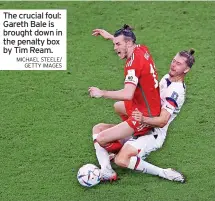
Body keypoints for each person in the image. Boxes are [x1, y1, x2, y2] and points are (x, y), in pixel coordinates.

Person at [93, 48, 195, 183]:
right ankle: (106, 169)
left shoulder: (176, 92)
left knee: (121, 160)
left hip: (153, 132)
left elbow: (162, 121)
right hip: (143, 120)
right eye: (173, 61)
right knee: (101, 126)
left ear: (186, 70)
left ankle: (163, 173)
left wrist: (142, 119)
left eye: (178, 64)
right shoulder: (167, 78)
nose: (173, 65)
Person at [89, 25, 161, 180]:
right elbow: (127, 40)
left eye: (118, 44)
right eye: (115, 44)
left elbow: (128, 94)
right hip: (148, 105)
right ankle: (127, 140)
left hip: (144, 114)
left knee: (100, 137)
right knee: (117, 107)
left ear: (128, 43)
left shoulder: (133, 65)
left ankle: (124, 148)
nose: (115, 48)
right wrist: (110, 37)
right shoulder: (141, 49)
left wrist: (102, 93)